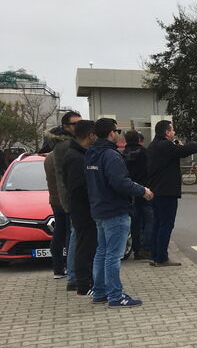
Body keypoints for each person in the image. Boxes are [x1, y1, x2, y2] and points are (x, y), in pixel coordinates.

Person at [85, 118, 153, 308]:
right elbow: (120, 182)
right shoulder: (111, 155)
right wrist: (142, 190)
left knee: (102, 252)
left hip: (98, 209)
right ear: (111, 133)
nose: (118, 134)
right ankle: (115, 296)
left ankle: (99, 292)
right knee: (113, 255)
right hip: (115, 210)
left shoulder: (91, 153)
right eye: (117, 131)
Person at [146, 121, 197, 267]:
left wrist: (176, 148)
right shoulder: (165, 145)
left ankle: (155, 255)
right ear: (167, 132)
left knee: (157, 224)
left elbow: (176, 153)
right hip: (166, 191)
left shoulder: (153, 146)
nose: (174, 132)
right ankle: (161, 258)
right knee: (166, 224)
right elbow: (184, 151)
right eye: (172, 130)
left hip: (155, 190)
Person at [40, 111, 80, 280]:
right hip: (65, 200)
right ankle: (70, 272)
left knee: (61, 233)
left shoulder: (51, 155)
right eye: (75, 124)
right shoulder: (66, 149)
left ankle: (59, 269)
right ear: (65, 127)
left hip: (57, 199)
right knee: (71, 235)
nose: (79, 127)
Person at [60, 120, 97, 295]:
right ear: (90, 135)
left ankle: (87, 280)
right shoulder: (75, 157)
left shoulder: (80, 153)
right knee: (85, 245)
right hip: (83, 209)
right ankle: (84, 283)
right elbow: (77, 188)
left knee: (87, 244)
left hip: (84, 208)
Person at [122, 130, 153, 259]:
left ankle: (137, 249)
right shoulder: (145, 153)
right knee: (150, 219)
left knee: (135, 222)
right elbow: (151, 170)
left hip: (130, 191)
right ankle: (147, 248)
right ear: (139, 139)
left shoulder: (122, 154)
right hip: (145, 190)